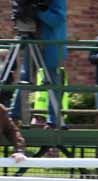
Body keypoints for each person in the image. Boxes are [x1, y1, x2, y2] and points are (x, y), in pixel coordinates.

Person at [11, 0, 67, 128]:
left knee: (52, 82)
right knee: (25, 79)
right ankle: (15, 115)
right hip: (32, 42)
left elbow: (57, 20)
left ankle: (53, 121)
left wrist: (38, 10)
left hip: (51, 46)